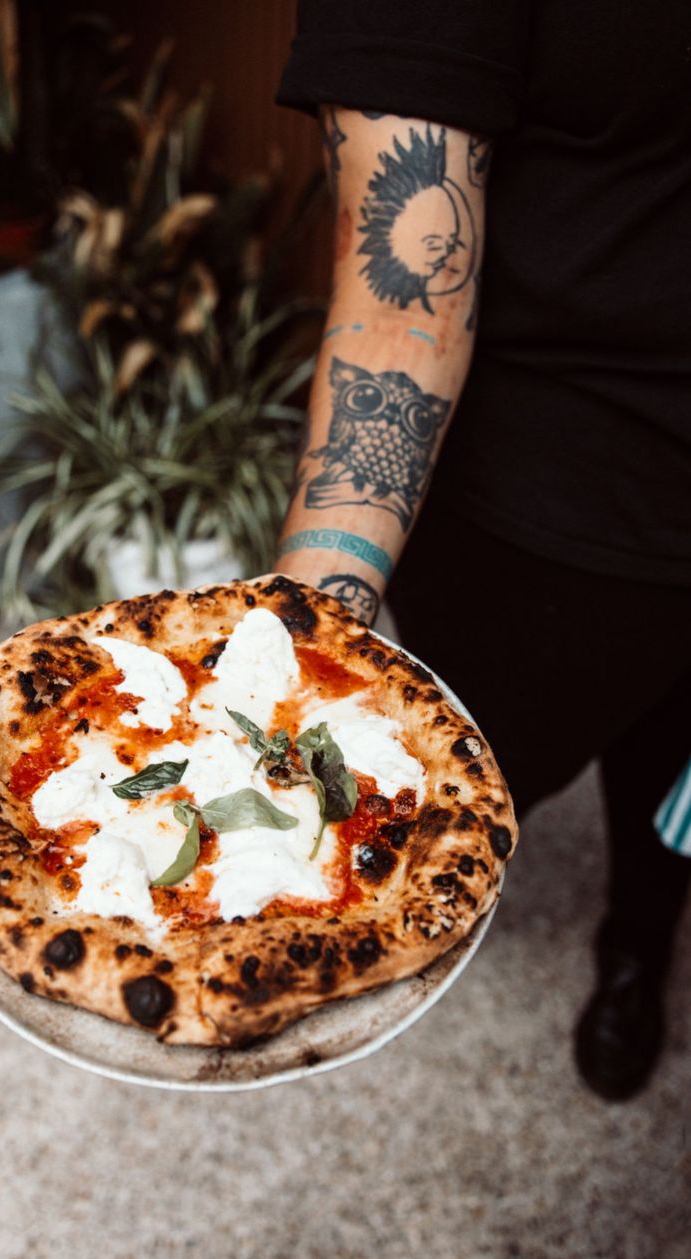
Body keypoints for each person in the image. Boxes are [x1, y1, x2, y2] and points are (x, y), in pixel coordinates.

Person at [271, 0, 691, 1100]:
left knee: (673, 775)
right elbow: (401, 310)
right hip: (550, 492)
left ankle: (635, 954)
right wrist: (300, 652)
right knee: (431, 811)